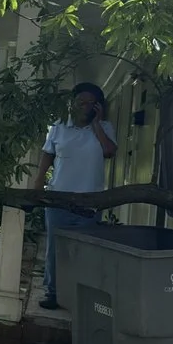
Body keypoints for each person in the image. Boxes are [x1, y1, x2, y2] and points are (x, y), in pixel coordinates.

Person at [33, 82, 117, 310]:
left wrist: (97, 124)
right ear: (72, 103)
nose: (85, 107)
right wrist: (38, 183)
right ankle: (52, 292)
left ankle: (82, 297)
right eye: (81, 102)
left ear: (98, 106)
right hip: (59, 199)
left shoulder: (105, 128)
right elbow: (47, 156)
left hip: (90, 201)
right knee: (55, 249)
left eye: (91, 103)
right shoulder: (58, 127)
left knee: (85, 251)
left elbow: (109, 151)